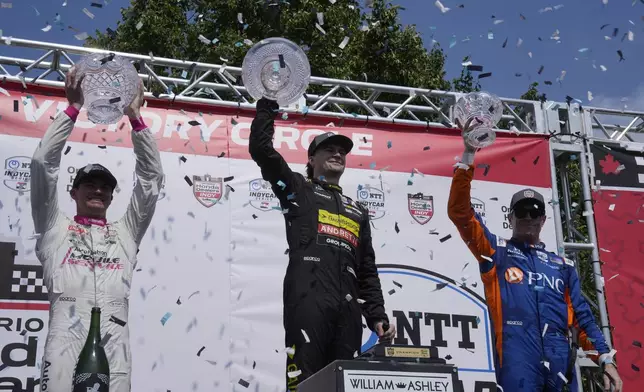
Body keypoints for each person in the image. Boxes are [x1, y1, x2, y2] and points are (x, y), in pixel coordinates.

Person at [447, 120, 622, 392]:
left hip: (560, 360)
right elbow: (460, 212)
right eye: (521, 212)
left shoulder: (562, 266)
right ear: (511, 218)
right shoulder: (496, 252)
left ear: (543, 219)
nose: (527, 217)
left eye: (534, 212)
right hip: (518, 360)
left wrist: (605, 359)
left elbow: (583, 319)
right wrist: (469, 155)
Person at [30, 67, 163, 392]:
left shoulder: (126, 231)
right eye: (88, 184)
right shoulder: (53, 227)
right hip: (66, 332)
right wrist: (72, 109)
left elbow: (151, 179)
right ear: (73, 192)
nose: (97, 191)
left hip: (114, 335)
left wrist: (136, 119)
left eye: (105, 187)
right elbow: (42, 165)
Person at [249, 98, 396, 390]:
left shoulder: (358, 211)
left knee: (343, 385)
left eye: (342, 151)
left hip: (349, 312)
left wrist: (376, 315)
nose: (338, 153)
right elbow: (262, 152)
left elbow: (366, 270)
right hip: (308, 303)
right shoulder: (298, 191)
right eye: (329, 149)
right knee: (304, 383)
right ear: (311, 160)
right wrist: (267, 106)